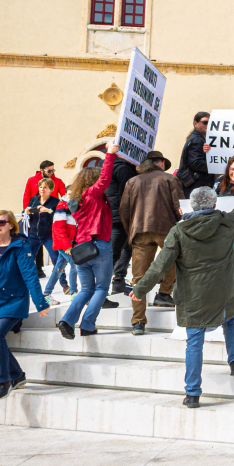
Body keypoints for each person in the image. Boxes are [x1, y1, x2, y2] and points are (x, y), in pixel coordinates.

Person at [131, 183, 234, 408]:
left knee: (195, 342)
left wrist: (140, 290)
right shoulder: (226, 221)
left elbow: (160, 266)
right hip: (225, 289)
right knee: (230, 319)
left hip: (195, 296)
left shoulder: (179, 231)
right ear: (214, 205)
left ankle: (192, 394)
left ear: (191, 205)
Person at [0, 211, 51, 399]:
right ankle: (17, 375)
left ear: (11, 225)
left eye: (1, 222)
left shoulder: (20, 247)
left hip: (12, 301)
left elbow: (30, 276)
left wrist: (41, 303)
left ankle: (3, 381)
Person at [57, 141, 119, 340]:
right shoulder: (92, 194)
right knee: (101, 288)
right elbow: (105, 178)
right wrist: (109, 154)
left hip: (81, 250)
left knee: (86, 289)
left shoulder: (76, 201)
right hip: (99, 246)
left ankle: (67, 320)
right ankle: (87, 324)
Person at [120, 151, 184, 334]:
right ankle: (164, 293)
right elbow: (179, 207)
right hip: (166, 229)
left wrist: (131, 231)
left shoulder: (132, 181)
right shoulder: (170, 179)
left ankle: (138, 322)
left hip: (140, 231)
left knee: (138, 278)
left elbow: (124, 210)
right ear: (161, 163)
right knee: (176, 260)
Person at [106, 153, 138, 299]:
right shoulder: (122, 168)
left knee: (124, 249)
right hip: (120, 216)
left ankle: (117, 284)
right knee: (115, 253)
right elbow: (130, 192)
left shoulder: (107, 164)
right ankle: (102, 290)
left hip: (114, 215)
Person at [44, 193, 79, 301]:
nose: (72, 196)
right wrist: (67, 246)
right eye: (69, 194)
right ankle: (73, 293)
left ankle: (46, 294)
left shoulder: (75, 206)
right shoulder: (62, 206)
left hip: (71, 243)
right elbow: (59, 228)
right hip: (64, 244)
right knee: (75, 264)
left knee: (58, 269)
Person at [24, 178, 59, 281]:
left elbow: (59, 216)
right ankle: (26, 280)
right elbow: (25, 212)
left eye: (45, 187)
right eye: (40, 187)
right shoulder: (34, 200)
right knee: (28, 258)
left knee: (56, 258)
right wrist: (27, 211)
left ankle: (63, 283)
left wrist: (48, 211)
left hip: (48, 235)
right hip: (33, 234)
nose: (42, 189)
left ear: (50, 189)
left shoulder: (55, 201)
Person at [176, 112, 214, 195]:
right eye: (205, 122)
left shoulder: (196, 138)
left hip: (193, 185)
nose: (208, 125)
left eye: (210, 123)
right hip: (196, 185)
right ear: (195, 124)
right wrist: (214, 166)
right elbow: (195, 163)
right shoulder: (198, 140)